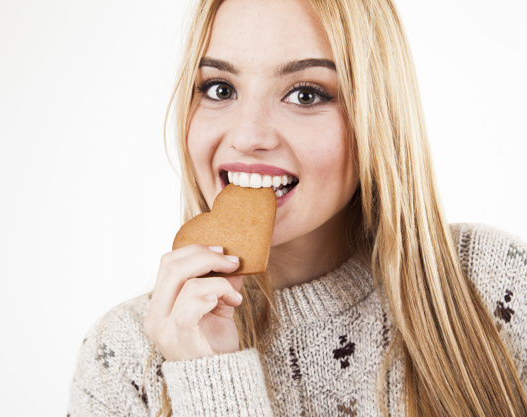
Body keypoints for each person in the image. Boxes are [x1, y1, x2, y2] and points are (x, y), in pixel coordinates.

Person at [68, 0, 527, 415]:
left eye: (306, 94)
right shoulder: (124, 355)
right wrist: (210, 379)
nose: (248, 136)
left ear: (376, 115)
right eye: (220, 89)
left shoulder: (492, 286)